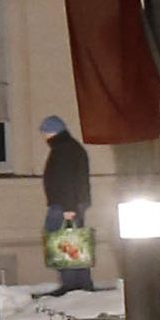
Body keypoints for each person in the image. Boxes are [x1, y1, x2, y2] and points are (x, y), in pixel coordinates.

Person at [39, 115, 96, 294]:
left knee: (61, 240)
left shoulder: (62, 150)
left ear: (51, 132)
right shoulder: (71, 148)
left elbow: (65, 180)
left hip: (64, 204)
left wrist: (68, 208)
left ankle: (71, 282)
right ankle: (81, 281)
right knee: (74, 240)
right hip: (70, 203)